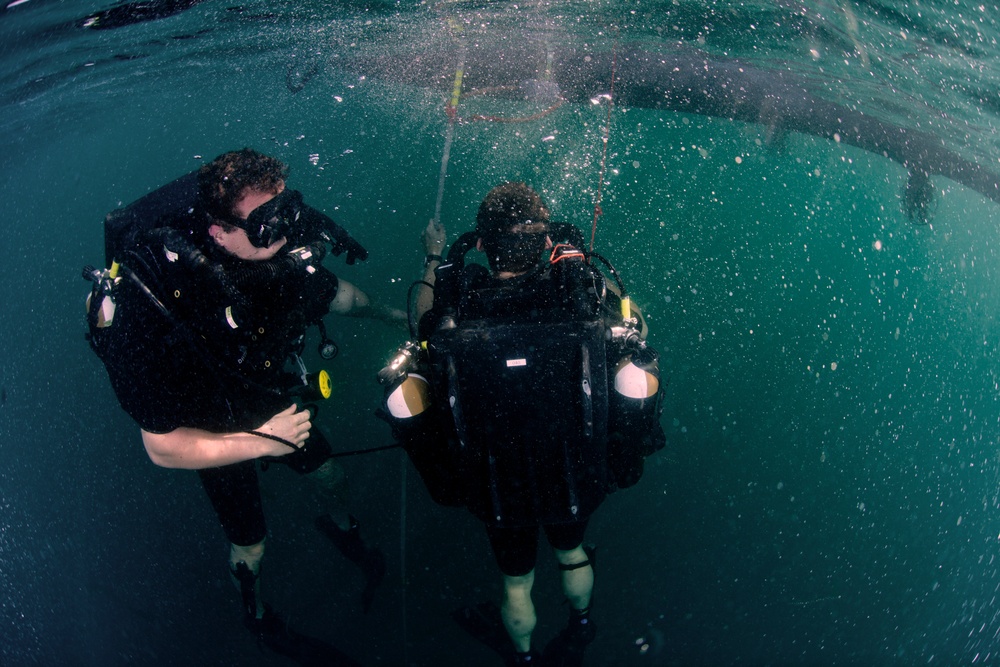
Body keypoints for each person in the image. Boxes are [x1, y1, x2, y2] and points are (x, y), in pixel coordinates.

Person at [85, 148, 403, 663]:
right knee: (251, 543)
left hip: (264, 397)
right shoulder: (150, 306)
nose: (281, 234)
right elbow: (162, 448)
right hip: (205, 422)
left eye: (286, 212)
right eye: (263, 225)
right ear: (217, 232)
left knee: (329, 476)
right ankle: (256, 616)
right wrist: (261, 440)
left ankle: (345, 534)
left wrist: (397, 317)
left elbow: (342, 297)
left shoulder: (273, 249)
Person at [380, 182, 665, 666]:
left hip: (496, 481)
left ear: (484, 244)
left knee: (517, 580)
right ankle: (580, 625)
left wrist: (433, 258)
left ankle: (525, 658)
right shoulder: (576, 294)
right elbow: (635, 321)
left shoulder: (461, 297)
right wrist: (580, 262)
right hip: (572, 471)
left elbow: (422, 325)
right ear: (544, 239)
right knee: (571, 552)